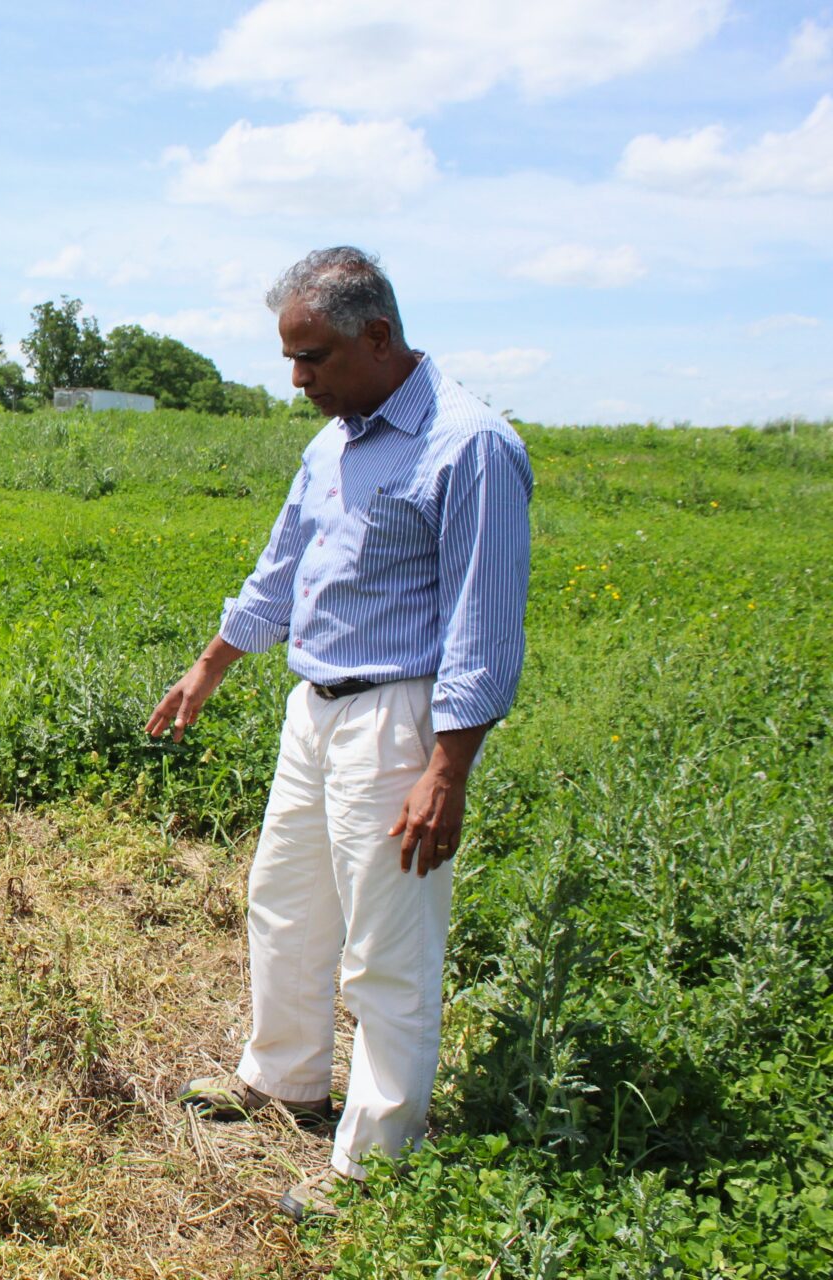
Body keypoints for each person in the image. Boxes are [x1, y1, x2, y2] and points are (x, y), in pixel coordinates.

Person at [145, 247, 532, 1220]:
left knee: (387, 947)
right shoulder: (334, 442)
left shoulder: (468, 445)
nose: (297, 378)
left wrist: (448, 768)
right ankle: (284, 1077)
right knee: (284, 898)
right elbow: (282, 571)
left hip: (400, 715)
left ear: (379, 337)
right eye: (291, 356)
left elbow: (484, 624)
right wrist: (210, 664)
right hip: (313, 706)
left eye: (312, 356)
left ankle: (376, 1167)